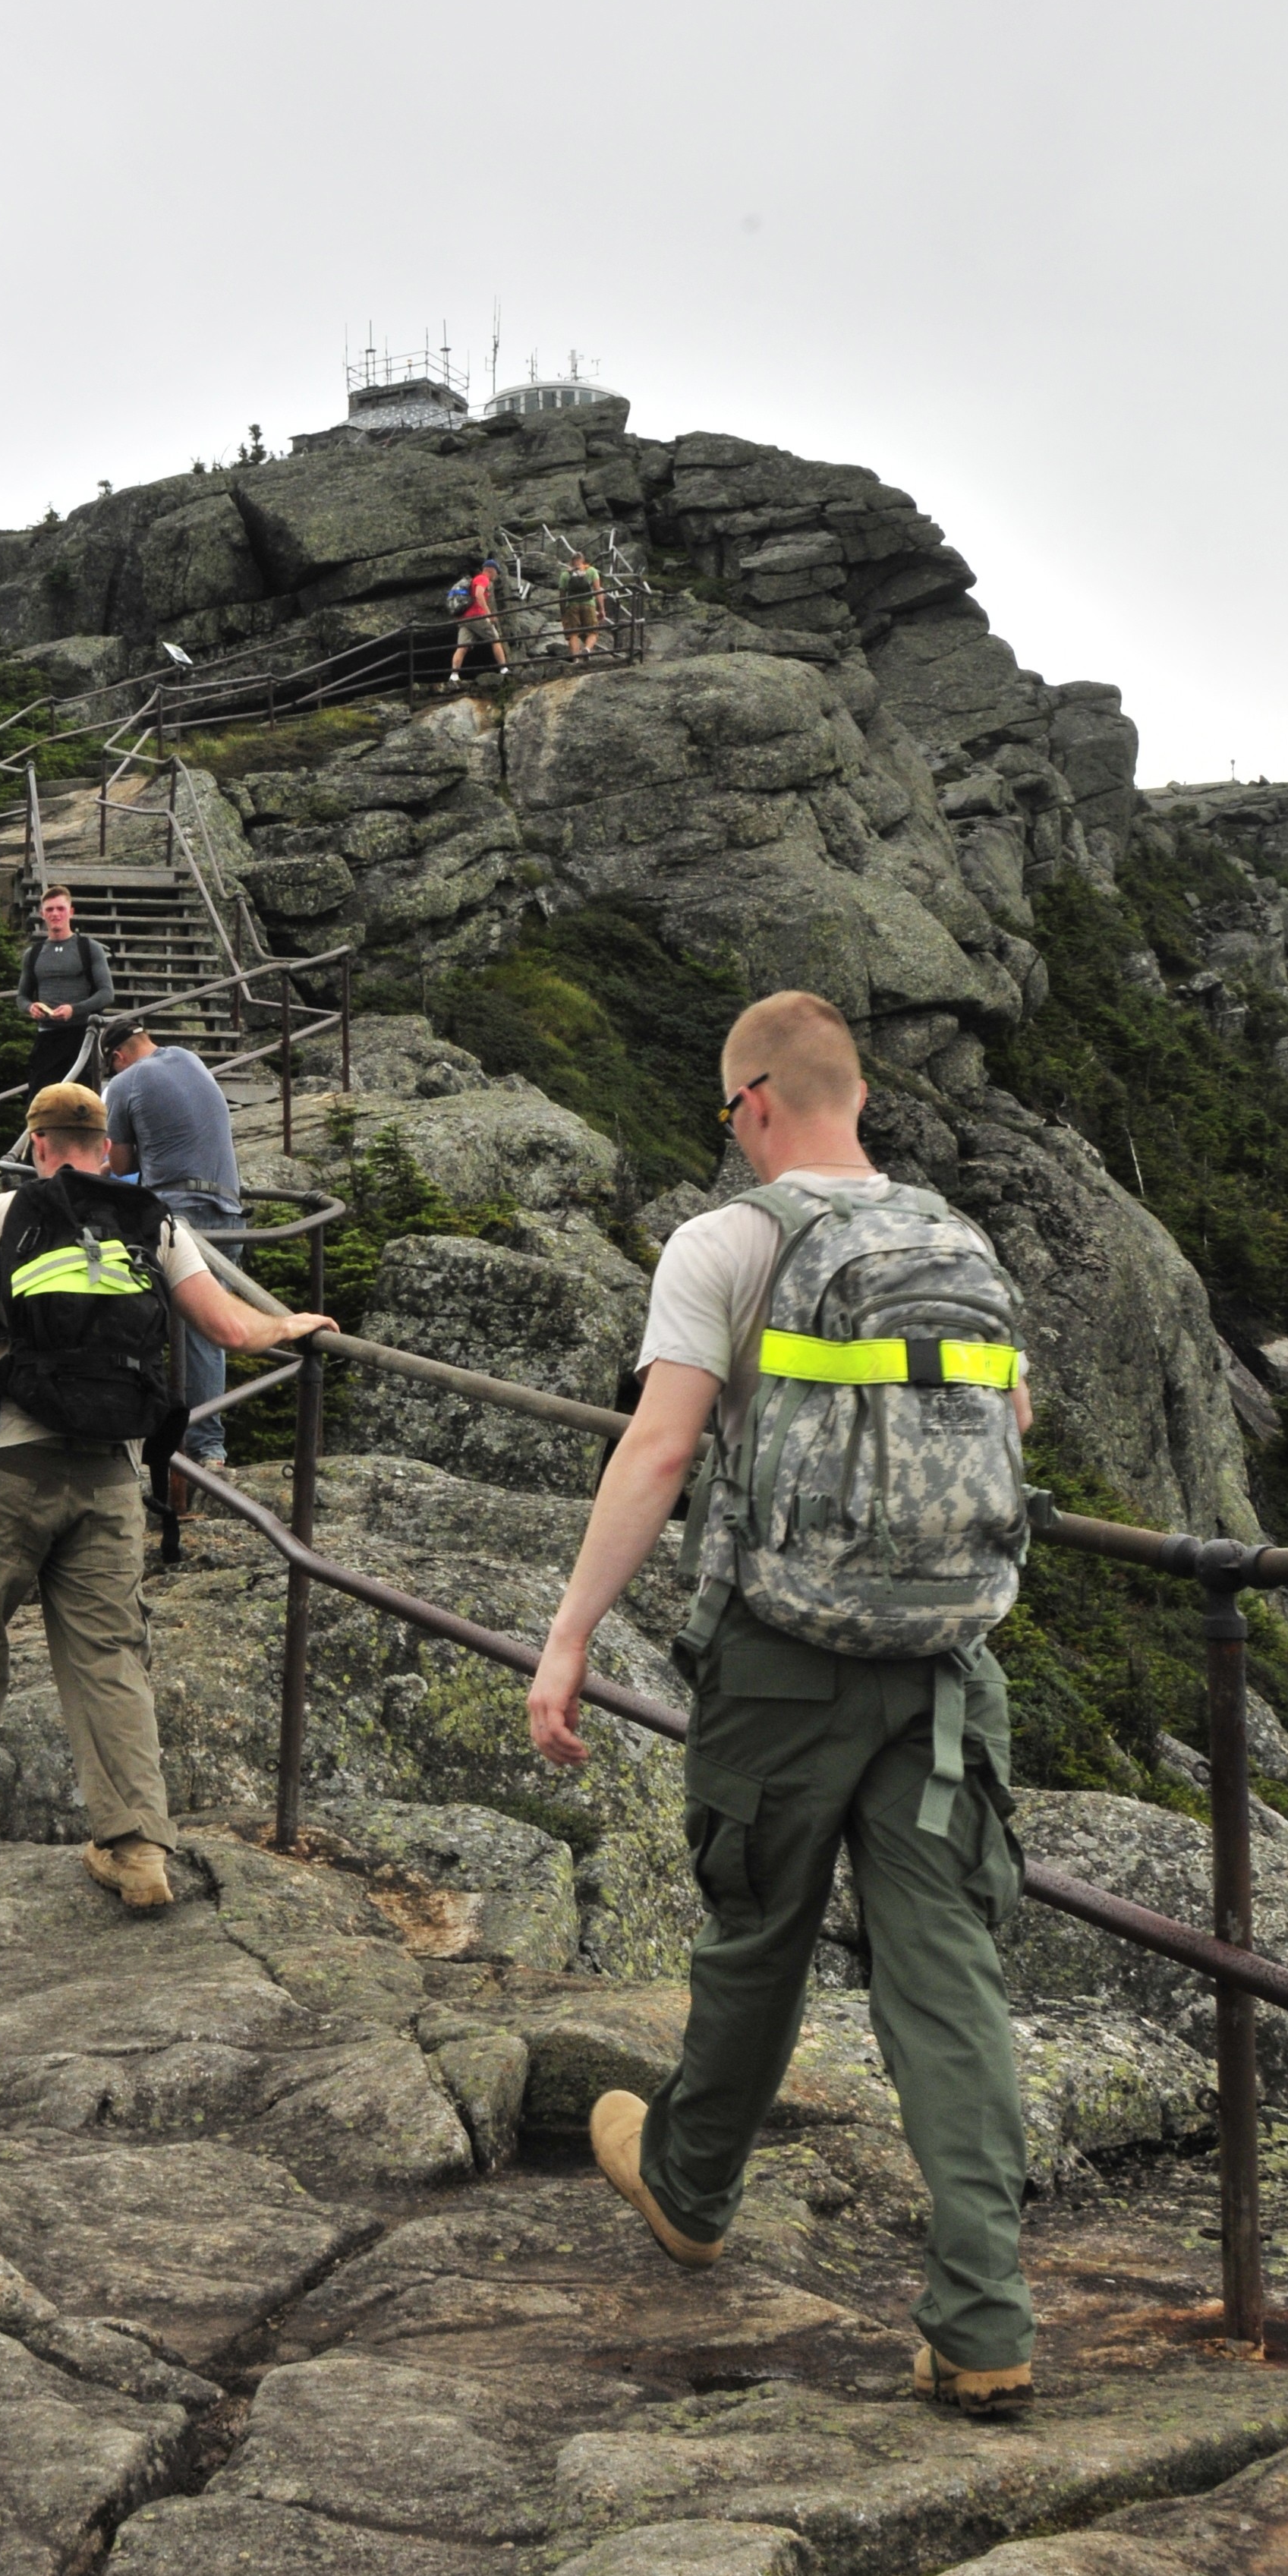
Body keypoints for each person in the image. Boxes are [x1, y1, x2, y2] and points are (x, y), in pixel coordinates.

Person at [526, 990, 1040, 2422]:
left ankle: (690, 2189)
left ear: (751, 1101)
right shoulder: (957, 1244)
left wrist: (567, 1636)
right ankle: (982, 2316)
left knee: (756, 1933)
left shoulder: (727, 1242)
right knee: (944, 1972)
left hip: (778, 1662)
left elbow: (660, 1446)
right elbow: (1003, 1440)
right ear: (853, 1095)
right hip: (945, 1670)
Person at [0, 1080, 336, 1905]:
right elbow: (227, 1327)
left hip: (7, 1471)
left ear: (37, 1145)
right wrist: (290, 1325)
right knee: (109, 1656)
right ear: (103, 1148)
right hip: (111, 1475)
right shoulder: (153, 1220)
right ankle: (134, 1850)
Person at [104, 1022, 244, 1473]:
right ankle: (206, 1448)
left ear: (117, 1056)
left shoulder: (124, 1082)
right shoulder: (191, 1059)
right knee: (205, 1332)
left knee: (131, 1315)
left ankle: (168, 1445)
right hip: (229, 1210)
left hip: (180, 1214)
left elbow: (121, 1163)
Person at [16, 888, 114, 1099]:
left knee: (81, 1103)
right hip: (47, 1038)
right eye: (49, 909)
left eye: (61, 908)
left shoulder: (89, 948)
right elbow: (21, 996)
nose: (55, 914)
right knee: (42, 1101)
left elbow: (107, 993)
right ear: (42, 914)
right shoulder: (33, 954)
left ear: (71, 912)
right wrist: (29, 1007)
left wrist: (74, 1010)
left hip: (83, 1035)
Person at [449, 554, 509, 686]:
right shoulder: (483, 579)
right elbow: (478, 594)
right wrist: (488, 614)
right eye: (496, 573)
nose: (496, 576)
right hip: (477, 616)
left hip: (464, 618)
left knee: (462, 647)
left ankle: (454, 675)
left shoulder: (475, 579)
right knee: (496, 639)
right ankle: (504, 669)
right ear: (491, 570)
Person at [559, 546, 607, 660]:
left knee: (573, 634)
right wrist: (602, 609)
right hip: (589, 604)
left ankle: (575, 659)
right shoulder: (591, 571)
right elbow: (598, 590)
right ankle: (587, 649)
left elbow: (562, 595)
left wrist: (563, 612)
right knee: (593, 632)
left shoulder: (565, 574)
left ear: (572, 561)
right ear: (583, 560)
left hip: (572, 606)